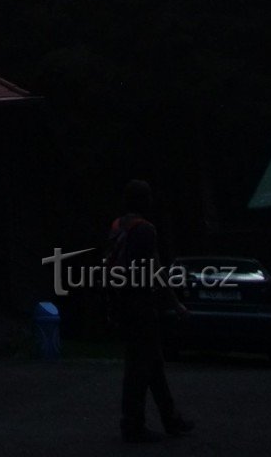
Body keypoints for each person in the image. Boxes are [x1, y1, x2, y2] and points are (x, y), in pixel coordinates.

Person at [107, 181, 194, 444]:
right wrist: (175, 304)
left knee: (152, 364)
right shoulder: (145, 230)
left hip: (124, 304)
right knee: (139, 368)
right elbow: (153, 270)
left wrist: (113, 306)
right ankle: (132, 425)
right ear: (145, 201)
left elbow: (110, 266)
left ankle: (171, 419)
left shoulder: (117, 227)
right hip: (141, 306)